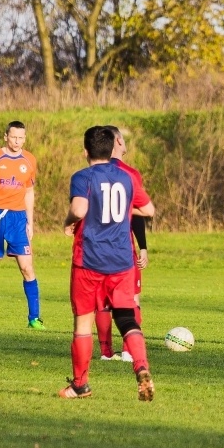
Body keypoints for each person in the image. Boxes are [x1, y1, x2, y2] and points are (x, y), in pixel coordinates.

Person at [59, 126, 156, 401]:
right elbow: (148, 210)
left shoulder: (83, 177)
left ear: (86, 151)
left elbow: (79, 209)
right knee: (126, 316)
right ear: (112, 147)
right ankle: (141, 365)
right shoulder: (127, 177)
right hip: (122, 261)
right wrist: (125, 209)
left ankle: (80, 385)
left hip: (89, 260)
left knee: (82, 323)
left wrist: (67, 223)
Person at [0, 120, 44, 329]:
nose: (17, 141)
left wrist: (30, 221)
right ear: (6, 137)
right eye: (14, 137)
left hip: (18, 219)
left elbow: (29, 191)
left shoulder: (29, 160)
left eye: (21, 138)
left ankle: (34, 318)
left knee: (27, 267)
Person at [96, 125, 150, 363]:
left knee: (102, 301)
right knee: (130, 300)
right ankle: (129, 351)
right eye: (124, 139)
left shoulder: (92, 173)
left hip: (95, 248)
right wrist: (143, 246)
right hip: (122, 249)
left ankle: (106, 352)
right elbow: (138, 213)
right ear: (117, 141)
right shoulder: (130, 174)